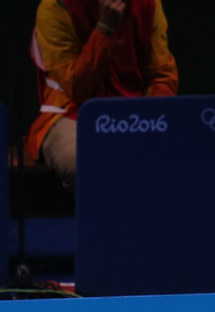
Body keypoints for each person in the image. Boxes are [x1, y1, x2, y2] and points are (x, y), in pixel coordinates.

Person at [25, 0, 179, 192]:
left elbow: (161, 76)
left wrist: (149, 123)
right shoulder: (56, 7)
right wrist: (105, 28)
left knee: (184, 152)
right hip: (72, 113)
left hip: (136, 114)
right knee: (82, 161)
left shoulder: (148, 4)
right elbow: (77, 89)